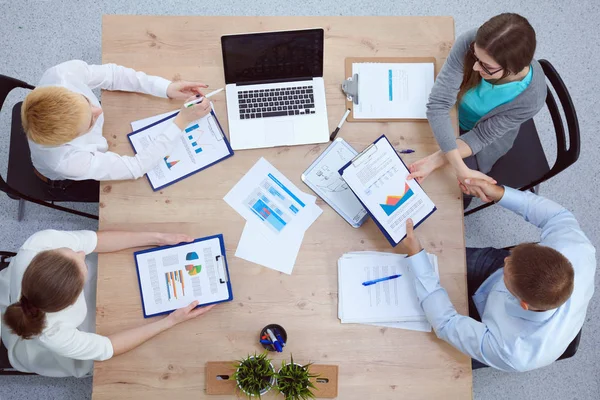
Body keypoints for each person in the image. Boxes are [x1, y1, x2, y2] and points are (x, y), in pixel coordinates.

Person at [400, 181, 595, 372]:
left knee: (419, 347)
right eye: (512, 258)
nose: (506, 261)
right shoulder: (576, 249)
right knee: (430, 260)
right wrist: (499, 193)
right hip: (491, 277)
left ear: (523, 304)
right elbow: (557, 216)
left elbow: (446, 323)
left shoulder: (511, 351)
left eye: (507, 274)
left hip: (489, 333)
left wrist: (417, 257)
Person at [0, 230, 215, 377]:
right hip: (48, 342)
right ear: (75, 300)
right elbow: (108, 347)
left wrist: (158, 237)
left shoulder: (38, 244)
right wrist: (170, 321)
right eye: (82, 262)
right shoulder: (55, 334)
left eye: (71, 252)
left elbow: (95, 241)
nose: (82, 253)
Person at [21, 60, 212, 200]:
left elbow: (113, 75)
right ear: (72, 139)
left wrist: (165, 88)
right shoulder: (66, 161)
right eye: (90, 121)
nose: (99, 110)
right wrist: (181, 122)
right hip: (64, 181)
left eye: (86, 101)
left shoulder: (62, 74)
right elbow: (135, 167)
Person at [407, 13, 546, 202]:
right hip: (453, 113)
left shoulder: (532, 98)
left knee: (455, 197)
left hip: (478, 138)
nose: (474, 67)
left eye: (486, 66)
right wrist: (458, 167)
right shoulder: (474, 42)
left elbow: (480, 136)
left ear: (512, 69)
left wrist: (438, 159)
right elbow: (439, 104)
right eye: (475, 57)